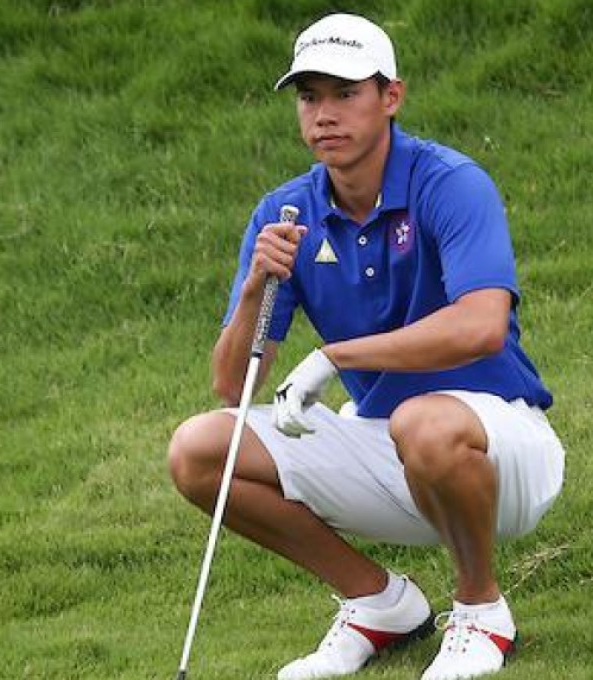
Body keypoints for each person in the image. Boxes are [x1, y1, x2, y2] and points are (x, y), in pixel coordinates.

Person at [168, 12, 565, 680]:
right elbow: (235, 388)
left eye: (345, 93)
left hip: (501, 451)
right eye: (309, 96)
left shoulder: (449, 182)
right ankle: (378, 603)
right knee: (199, 449)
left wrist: (336, 357)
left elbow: (482, 325)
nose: (324, 114)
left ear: (391, 97)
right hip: (385, 449)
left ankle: (480, 612)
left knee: (425, 422)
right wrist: (254, 290)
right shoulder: (285, 214)